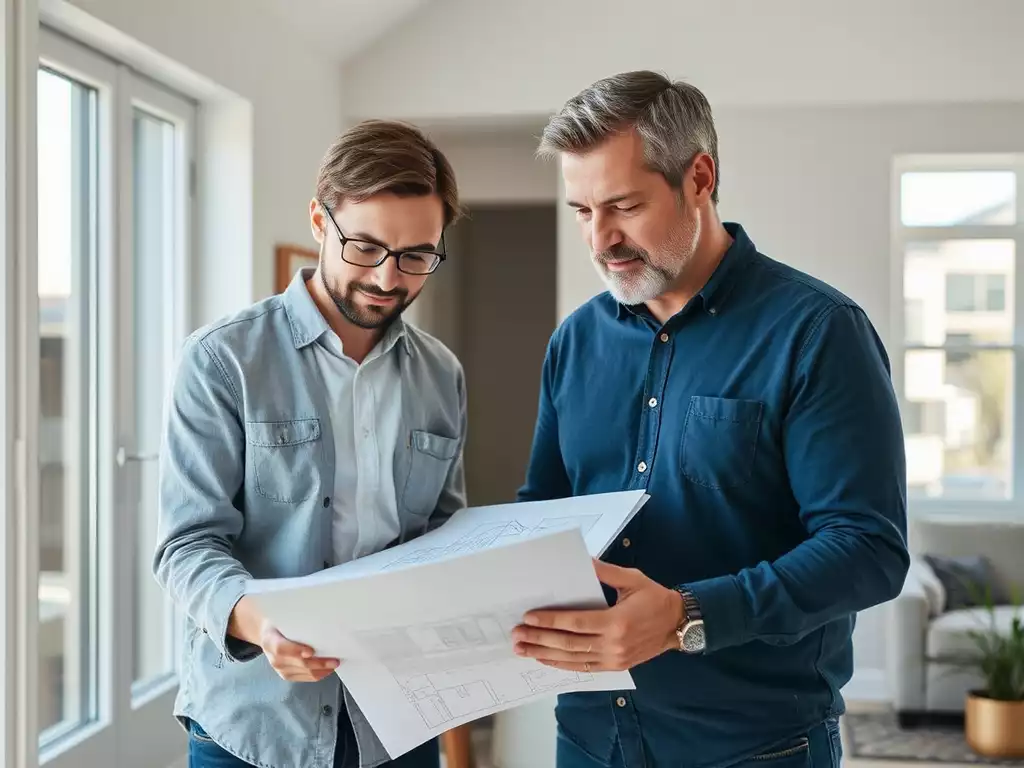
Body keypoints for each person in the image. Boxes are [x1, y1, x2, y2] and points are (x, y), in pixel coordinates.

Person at [511, 70, 909, 768]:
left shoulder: (818, 332)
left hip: (756, 748)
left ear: (699, 177)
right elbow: (542, 510)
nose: (601, 240)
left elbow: (867, 549)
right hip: (587, 737)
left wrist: (687, 616)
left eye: (624, 206)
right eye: (581, 211)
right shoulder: (574, 342)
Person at [154, 120, 467, 768]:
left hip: (398, 722)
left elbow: (445, 530)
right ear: (320, 222)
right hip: (254, 726)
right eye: (366, 247)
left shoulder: (442, 374)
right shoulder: (223, 360)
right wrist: (262, 622)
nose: (387, 278)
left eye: (416, 256)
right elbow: (186, 546)